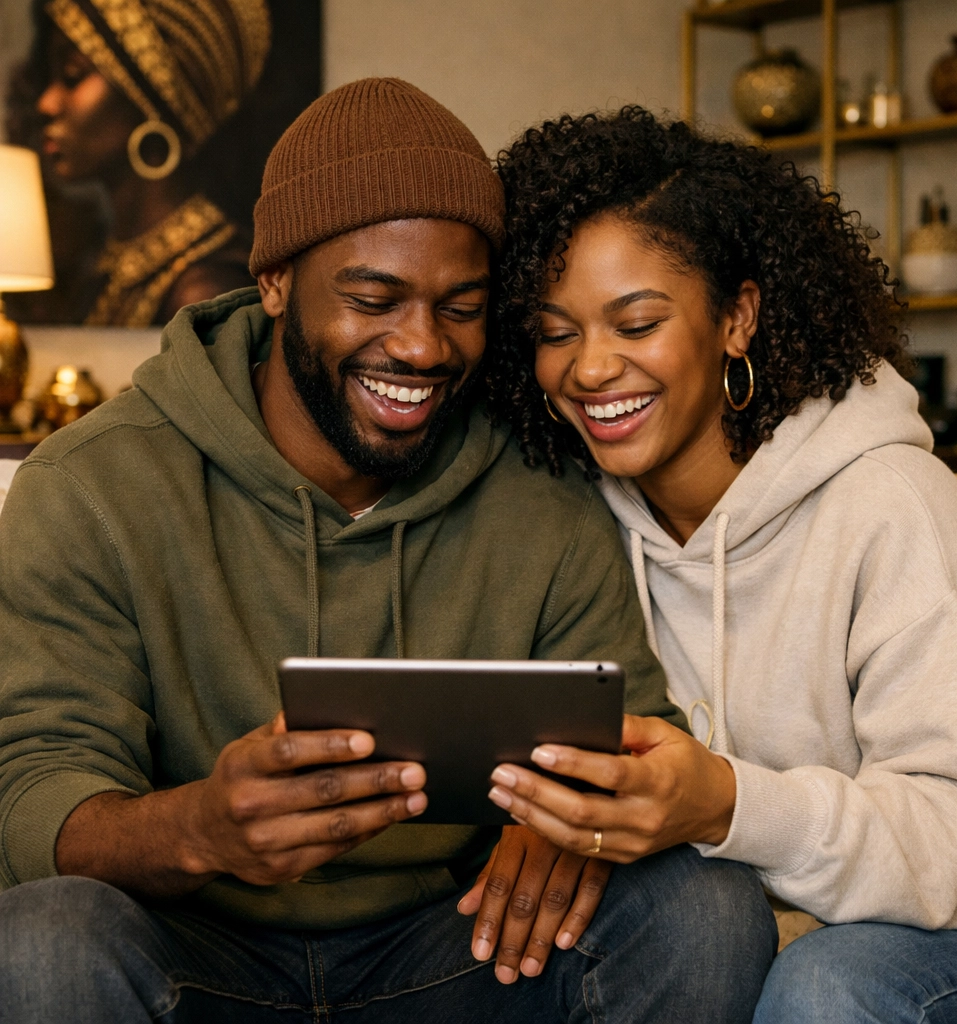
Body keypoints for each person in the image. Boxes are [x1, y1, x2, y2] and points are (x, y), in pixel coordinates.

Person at [0, 81, 776, 1023]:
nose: (421, 346)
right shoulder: (93, 484)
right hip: (190, 951)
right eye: (374, 298)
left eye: (462, 306)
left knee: (703, 908)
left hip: (451, 949)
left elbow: (631, 738)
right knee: (41, 943)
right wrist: (199, 830)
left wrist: (585, 825)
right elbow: (34, 789)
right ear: (276, 280)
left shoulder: (544, 493)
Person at [483, 106, 957, 1023]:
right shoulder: (569, 521)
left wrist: (729, 806)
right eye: (556, 331)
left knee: (826, 987)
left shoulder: (895, 509)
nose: (590, 368)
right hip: (716, 936)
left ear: (737, 318)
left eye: (636, 322)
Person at [8, 0, 270, 325]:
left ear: (147, 96)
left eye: (73, 74)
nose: (46, 104)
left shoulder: (204, 289)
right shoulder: (108, 270)